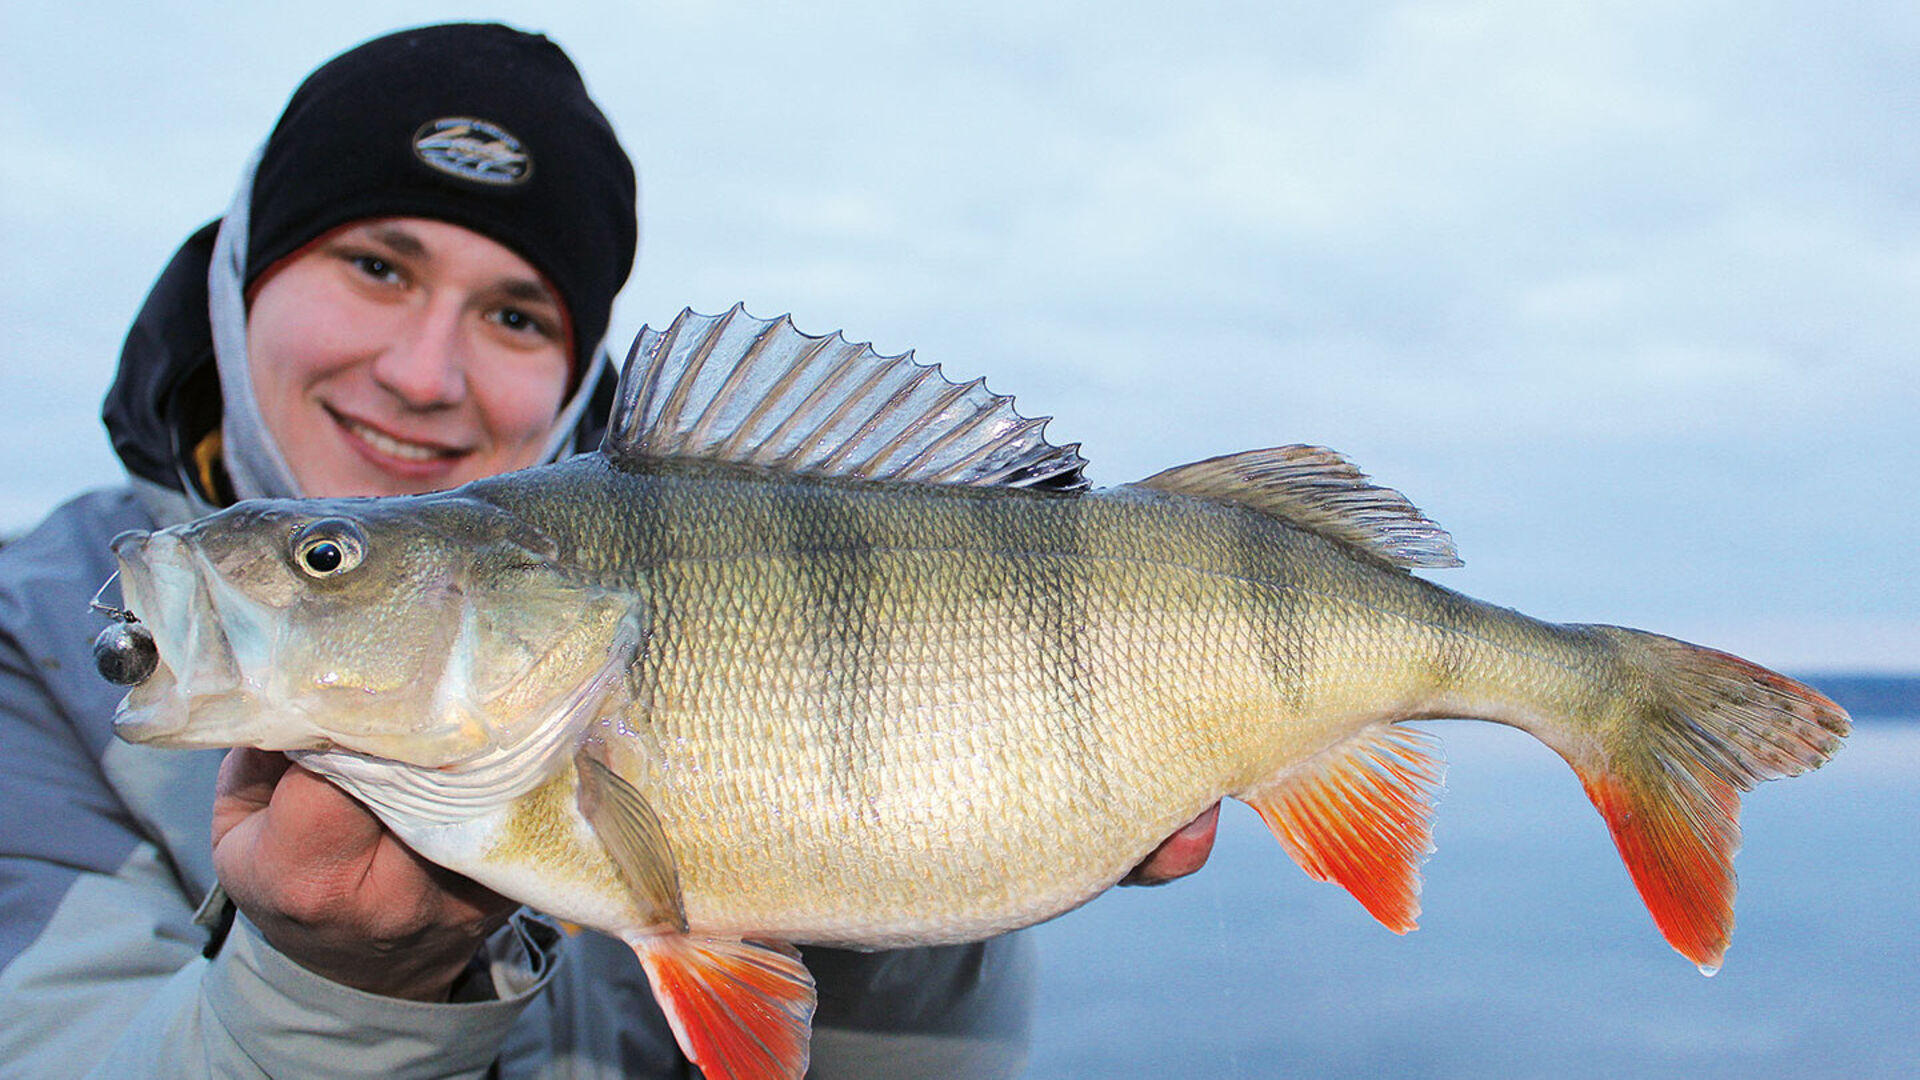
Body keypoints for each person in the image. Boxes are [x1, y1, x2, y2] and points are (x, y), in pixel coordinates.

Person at [0, 22, 1216, 1078]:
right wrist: (332, 990)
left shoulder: (673, 541)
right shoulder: (24, 647)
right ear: (238, 282)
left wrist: (912, 888)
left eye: (516, 314)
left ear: (580, 369)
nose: (424, 375)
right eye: (376, 266)